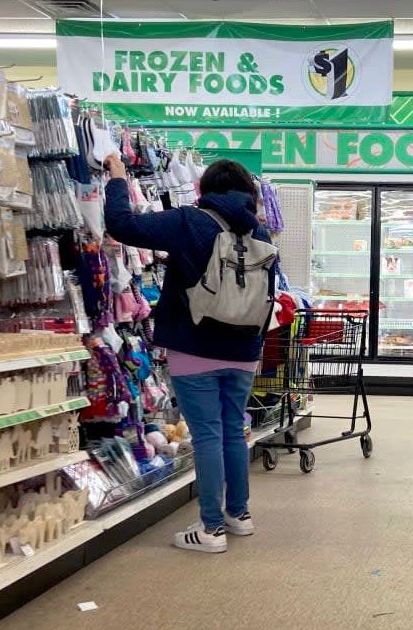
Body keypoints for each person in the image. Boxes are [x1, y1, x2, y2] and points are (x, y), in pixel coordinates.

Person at [103, 154, 273, 553]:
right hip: (244, 347)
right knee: (233, 430)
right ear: (249, 192)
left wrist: (116, 178)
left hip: (195, 345)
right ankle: (239, 515)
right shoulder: (260, 231)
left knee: (208, 433)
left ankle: (211, 529)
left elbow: (121, 224)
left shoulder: (188, 222)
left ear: (201, 189)